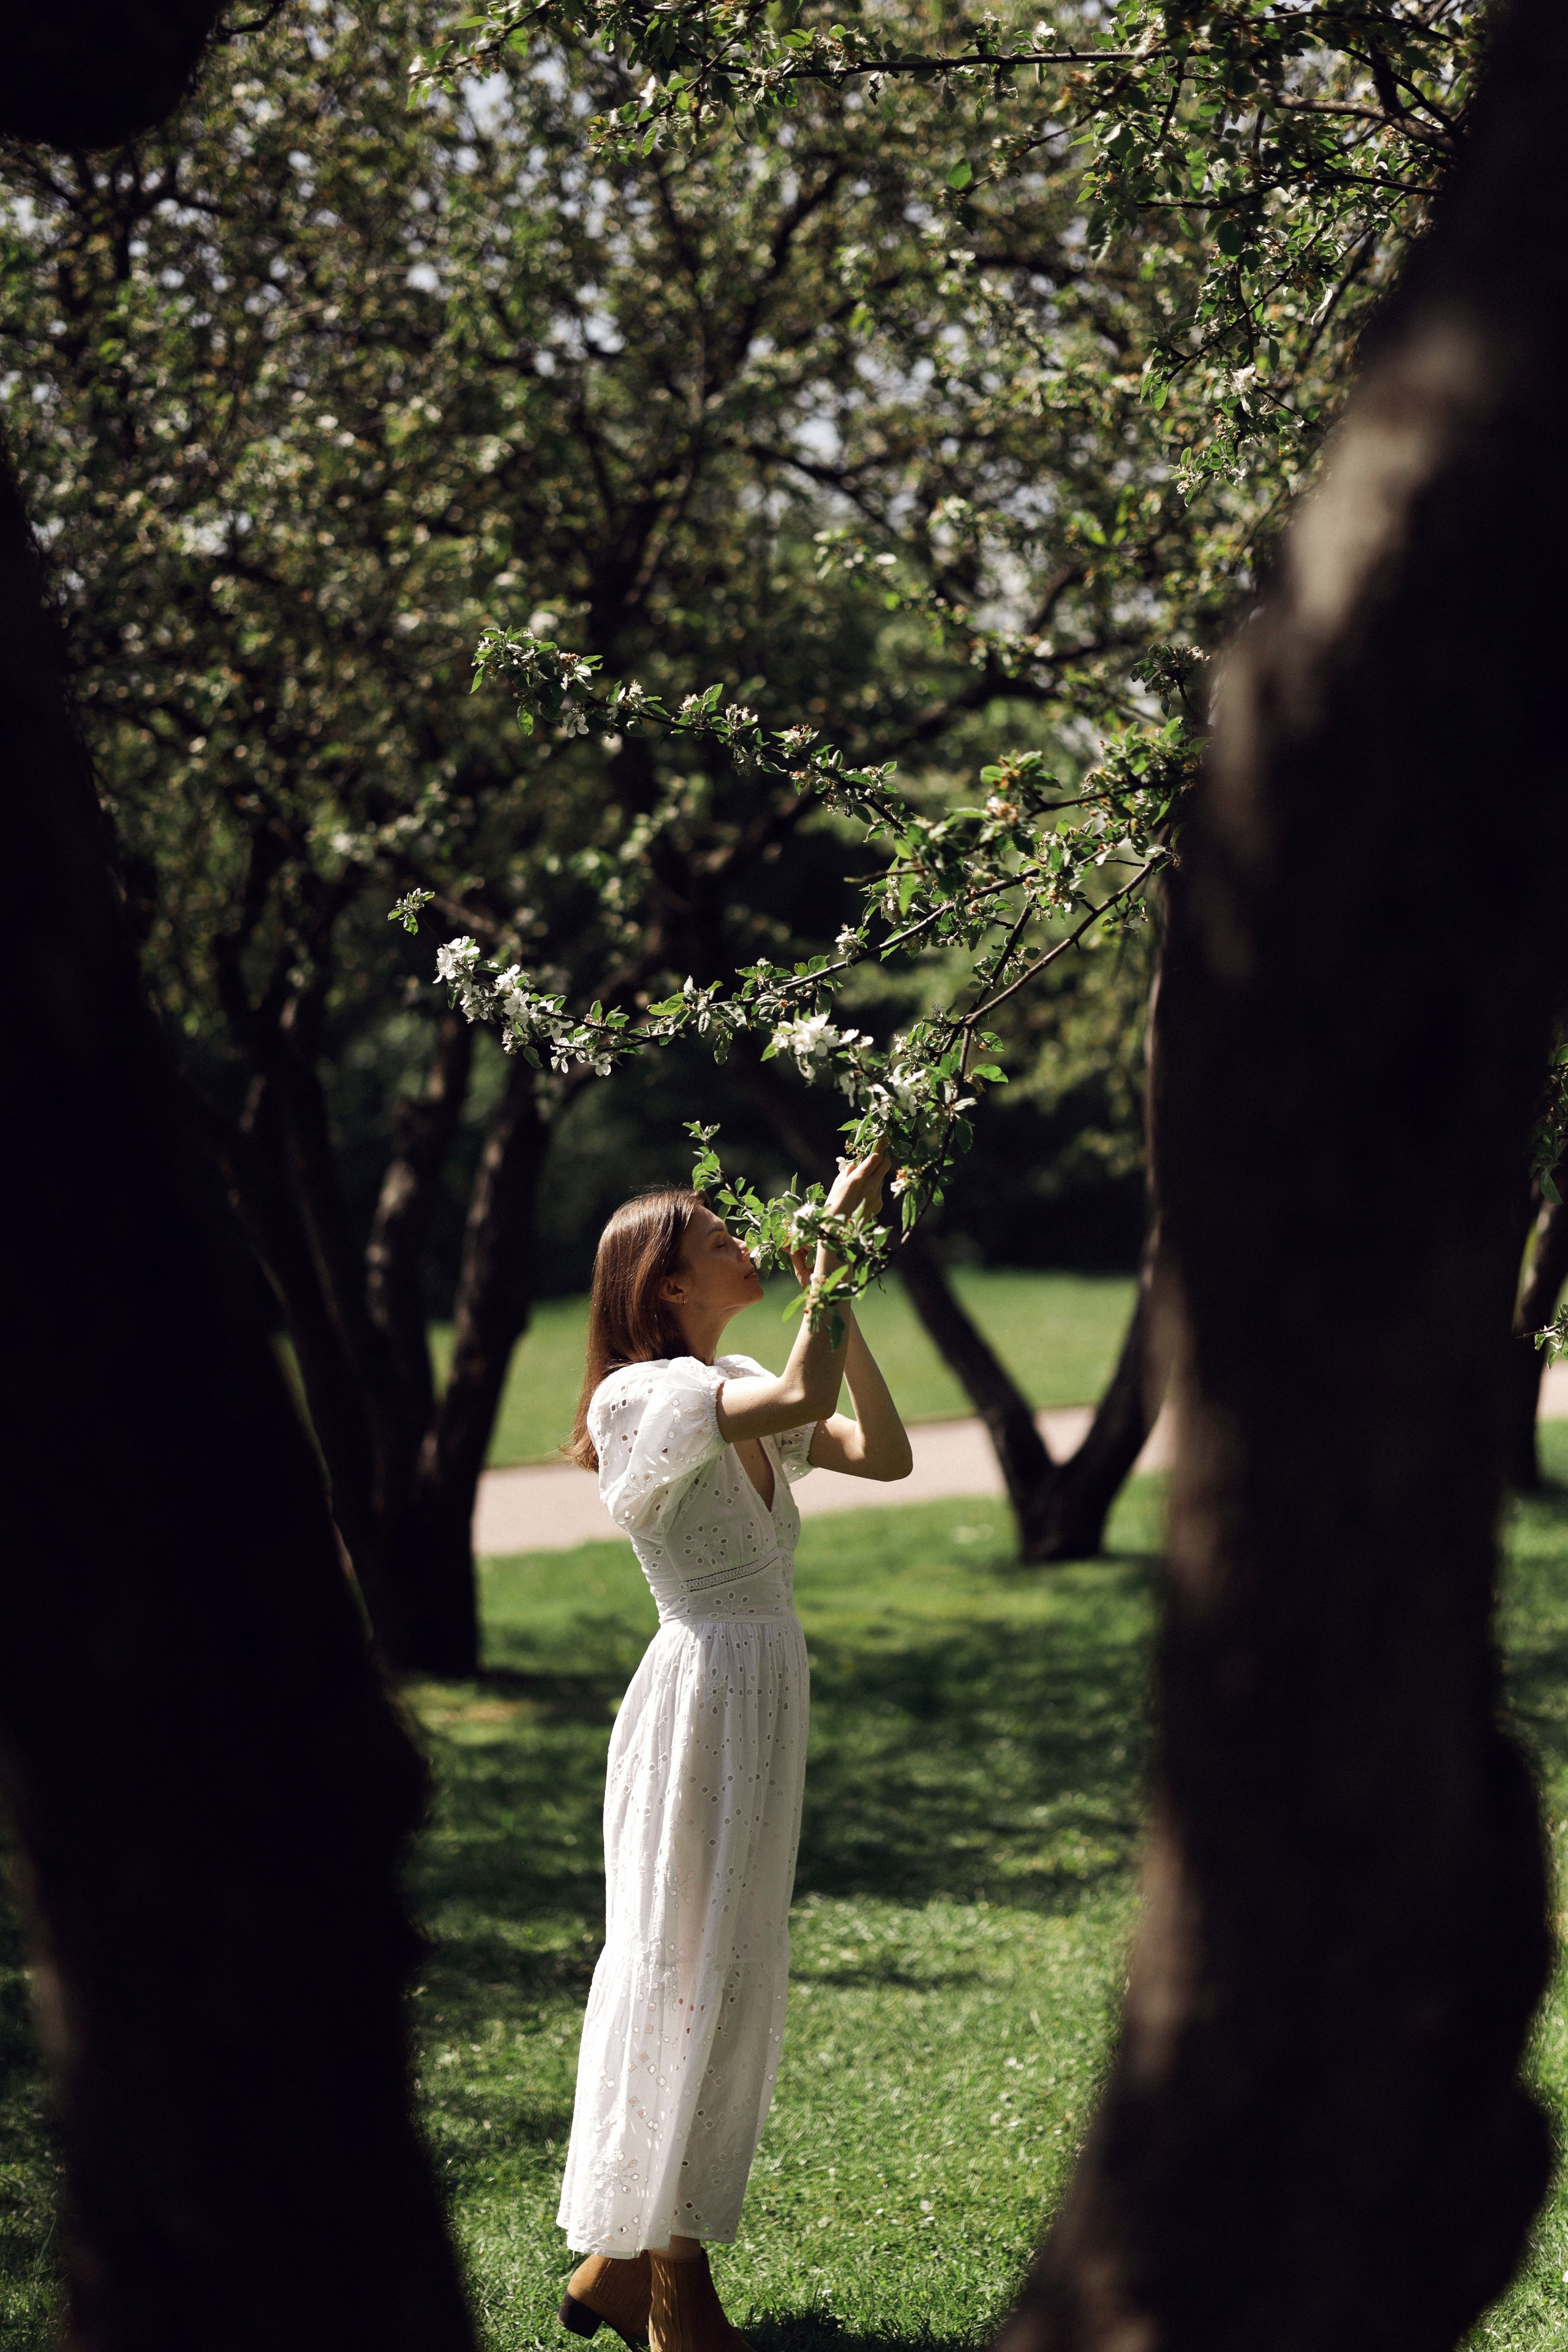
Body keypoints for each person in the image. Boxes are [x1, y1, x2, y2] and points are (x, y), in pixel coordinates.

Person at [554, 1147, 912, 2352]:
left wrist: (834, 1285)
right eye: (718, 1239)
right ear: (666, 1285)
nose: (743, 1242)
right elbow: (809, 1392)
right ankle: (669, 2278)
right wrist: (834, 1257)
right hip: (701, 1697)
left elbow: (884, 1451)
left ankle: (628, 2266)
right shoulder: (639, 1400)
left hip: (765, 1693)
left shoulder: (742, 1377)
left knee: (734, 1963)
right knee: (684, 1964)